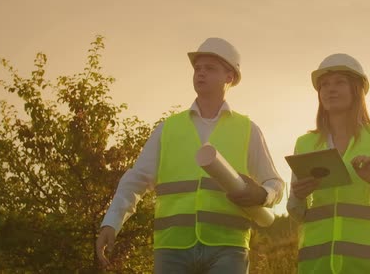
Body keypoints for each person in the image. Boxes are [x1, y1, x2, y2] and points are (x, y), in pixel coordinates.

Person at [96, 37, 284, 273]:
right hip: (172, 248)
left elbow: (275, 184)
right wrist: (111, 222)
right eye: (197, 68)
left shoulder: (248, 130)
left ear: (230, 77)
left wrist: (262, 194)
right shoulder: (168, 128)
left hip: (228, 247)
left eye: (210, 68)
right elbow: (136, 180)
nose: (200, 73)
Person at [287, 53, 370, 273]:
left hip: (369, 264)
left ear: (357, 90)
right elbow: (296, 212)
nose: (330, 89)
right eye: (324, 85)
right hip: (318, 264)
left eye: (339, 82)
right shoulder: (305, 143)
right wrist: (298, 196)